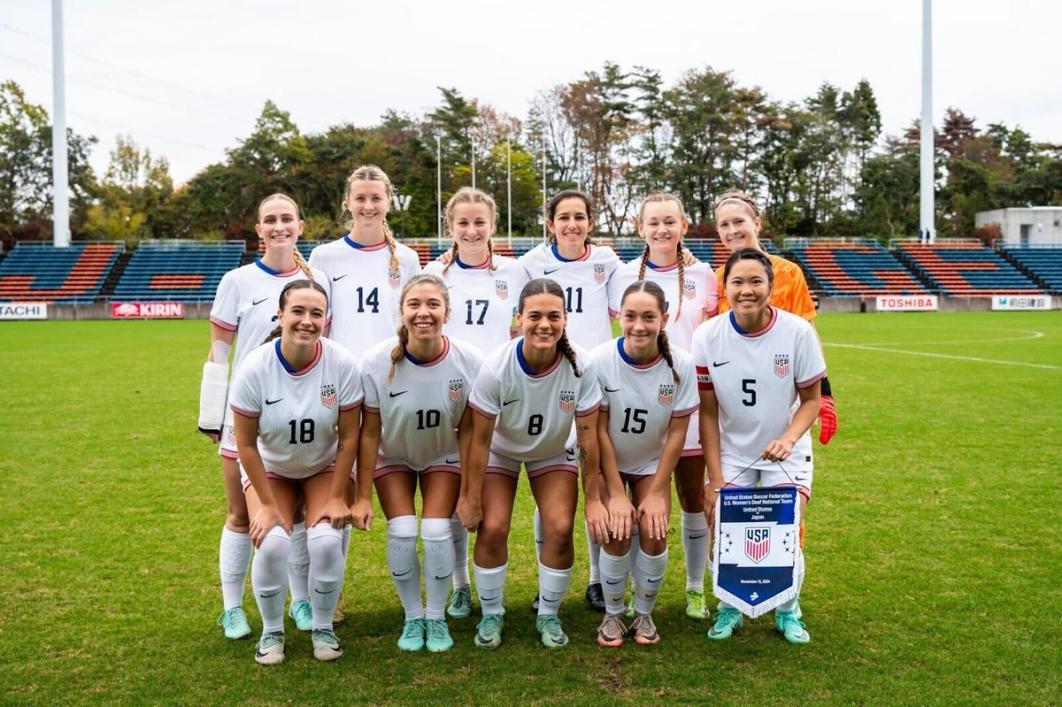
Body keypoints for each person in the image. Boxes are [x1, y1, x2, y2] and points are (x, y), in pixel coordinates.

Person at [198, 193, 330, 640]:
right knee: (241, 513)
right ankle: (232, 608)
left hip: (300, 413)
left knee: (291, 514)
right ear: (258, 229)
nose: (279, 227)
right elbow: (219, 353)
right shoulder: (236, 281)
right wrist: (210, 414)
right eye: (270, 220)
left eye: (287, 219)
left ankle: (302, 601)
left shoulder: (318, 279)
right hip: (246, 415)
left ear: (301, 226)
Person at [458, 278, 608, 650]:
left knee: (558, 528)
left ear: (565, 319)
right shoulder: (497, 367)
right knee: (492, 527)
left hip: (552, 451)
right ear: (518, 317)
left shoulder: (581, 366)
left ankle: (549, 614)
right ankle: (492, 612)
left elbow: (588, 437)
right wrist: (470, 496)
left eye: (553, 316)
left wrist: (593, 498)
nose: (545, 324)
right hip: (501, 450)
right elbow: (478, 439)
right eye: (535, 316)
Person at [692, 248, 825, 645]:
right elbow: (709, 414)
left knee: (782, 529)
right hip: (733, 452)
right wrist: (716, 479)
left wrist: (787, 439)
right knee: (726, 528)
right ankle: (730, 607)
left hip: (786, 452)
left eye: (755, 281)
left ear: (771, 285)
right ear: (725, 287)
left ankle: (788, 611)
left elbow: (812, 400)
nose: (746, 290)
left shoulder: (797, 332)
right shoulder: (708, 336)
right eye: (737, 282)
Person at [229, 279, 364, 665]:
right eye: (298, 312)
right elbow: (246, 444)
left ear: (327, 319)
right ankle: (272, 632)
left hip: (323, 466)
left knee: (325, 541)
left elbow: (350, 438)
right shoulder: (255, 367)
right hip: (272, 469)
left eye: (316, 313)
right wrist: (268, 507)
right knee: (271, 541)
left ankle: (323, 626)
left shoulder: (341, 363)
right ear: (281, 315)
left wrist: (339, 495)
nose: (307, 321)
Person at [355, 274, 483, 652]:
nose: (423, 313)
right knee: (404, 530)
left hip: (441, 454)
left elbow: (471, 432)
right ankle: (413, 616)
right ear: (402, 311)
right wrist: (362, 495)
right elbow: (368, 432)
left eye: (432, 305)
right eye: (414, 305)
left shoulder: (468, 361)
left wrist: (470, 493)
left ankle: (436, 617)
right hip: (392, 456)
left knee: (436, 531)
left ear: (447, 311)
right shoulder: (376, 361)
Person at [607, 193, 719, 620]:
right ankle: (625, 590)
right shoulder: (620, 276)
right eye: (653, 222)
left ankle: (694, 589)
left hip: (685, 402)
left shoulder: (704, 276)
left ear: (685, 226)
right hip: (632, 404)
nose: (662, 230)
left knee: (692, 497)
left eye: (670, 221)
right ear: (640, 228)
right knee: (629, 497)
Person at [423, 188, 528, 619]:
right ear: (450, 227)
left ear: (493, 225)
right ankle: (460, 585)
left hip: (501, 394)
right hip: (449, 392)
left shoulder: (514, 271)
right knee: (455, 491)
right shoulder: (435, 272)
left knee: (486, 487)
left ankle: (483, 583)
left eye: (479, 222)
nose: (471, 230)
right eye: (462, 223)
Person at [517, 190, 619, 612]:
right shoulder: (531, 263)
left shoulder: (608, 261)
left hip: (596, 384)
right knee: (551, 483)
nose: (572, 224)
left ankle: (597, 580)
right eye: (564, 217)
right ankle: (547, 580)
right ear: (550, 222)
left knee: (592, 478)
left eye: (580, 216)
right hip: (550, 380)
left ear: (590, 222)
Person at [591, 280, 699, 647]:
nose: (639, 325)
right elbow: (599, 432)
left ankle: (644, 614)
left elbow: (676, 435)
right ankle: (612, 613)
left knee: (653, 531)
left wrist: (655, 492)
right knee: (619, 532)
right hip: (610, 461)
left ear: (664, 319)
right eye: (631, 316)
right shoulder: (601, 360)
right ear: (619, 316)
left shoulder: (680, 365)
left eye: (649, 317)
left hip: (651, 462)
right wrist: (614, 493)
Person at [712, 190, 837, 445]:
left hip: (785, 395)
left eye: (738, 222)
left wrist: (823, 392)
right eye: (724, 225)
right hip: (733, 399)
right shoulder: (717, 278)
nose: (732, 230)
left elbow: (808, 332)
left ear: (757, 223)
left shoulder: (789, 273)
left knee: (784, 475)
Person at [308, 164, 422, 353]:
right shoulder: (323, 257)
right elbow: (317, 325)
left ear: (389, 202)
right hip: (342, 374)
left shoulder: (407, 259)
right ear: (348, 202)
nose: (368, 206)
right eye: (360, 198)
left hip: (391, 371)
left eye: (376, 198)